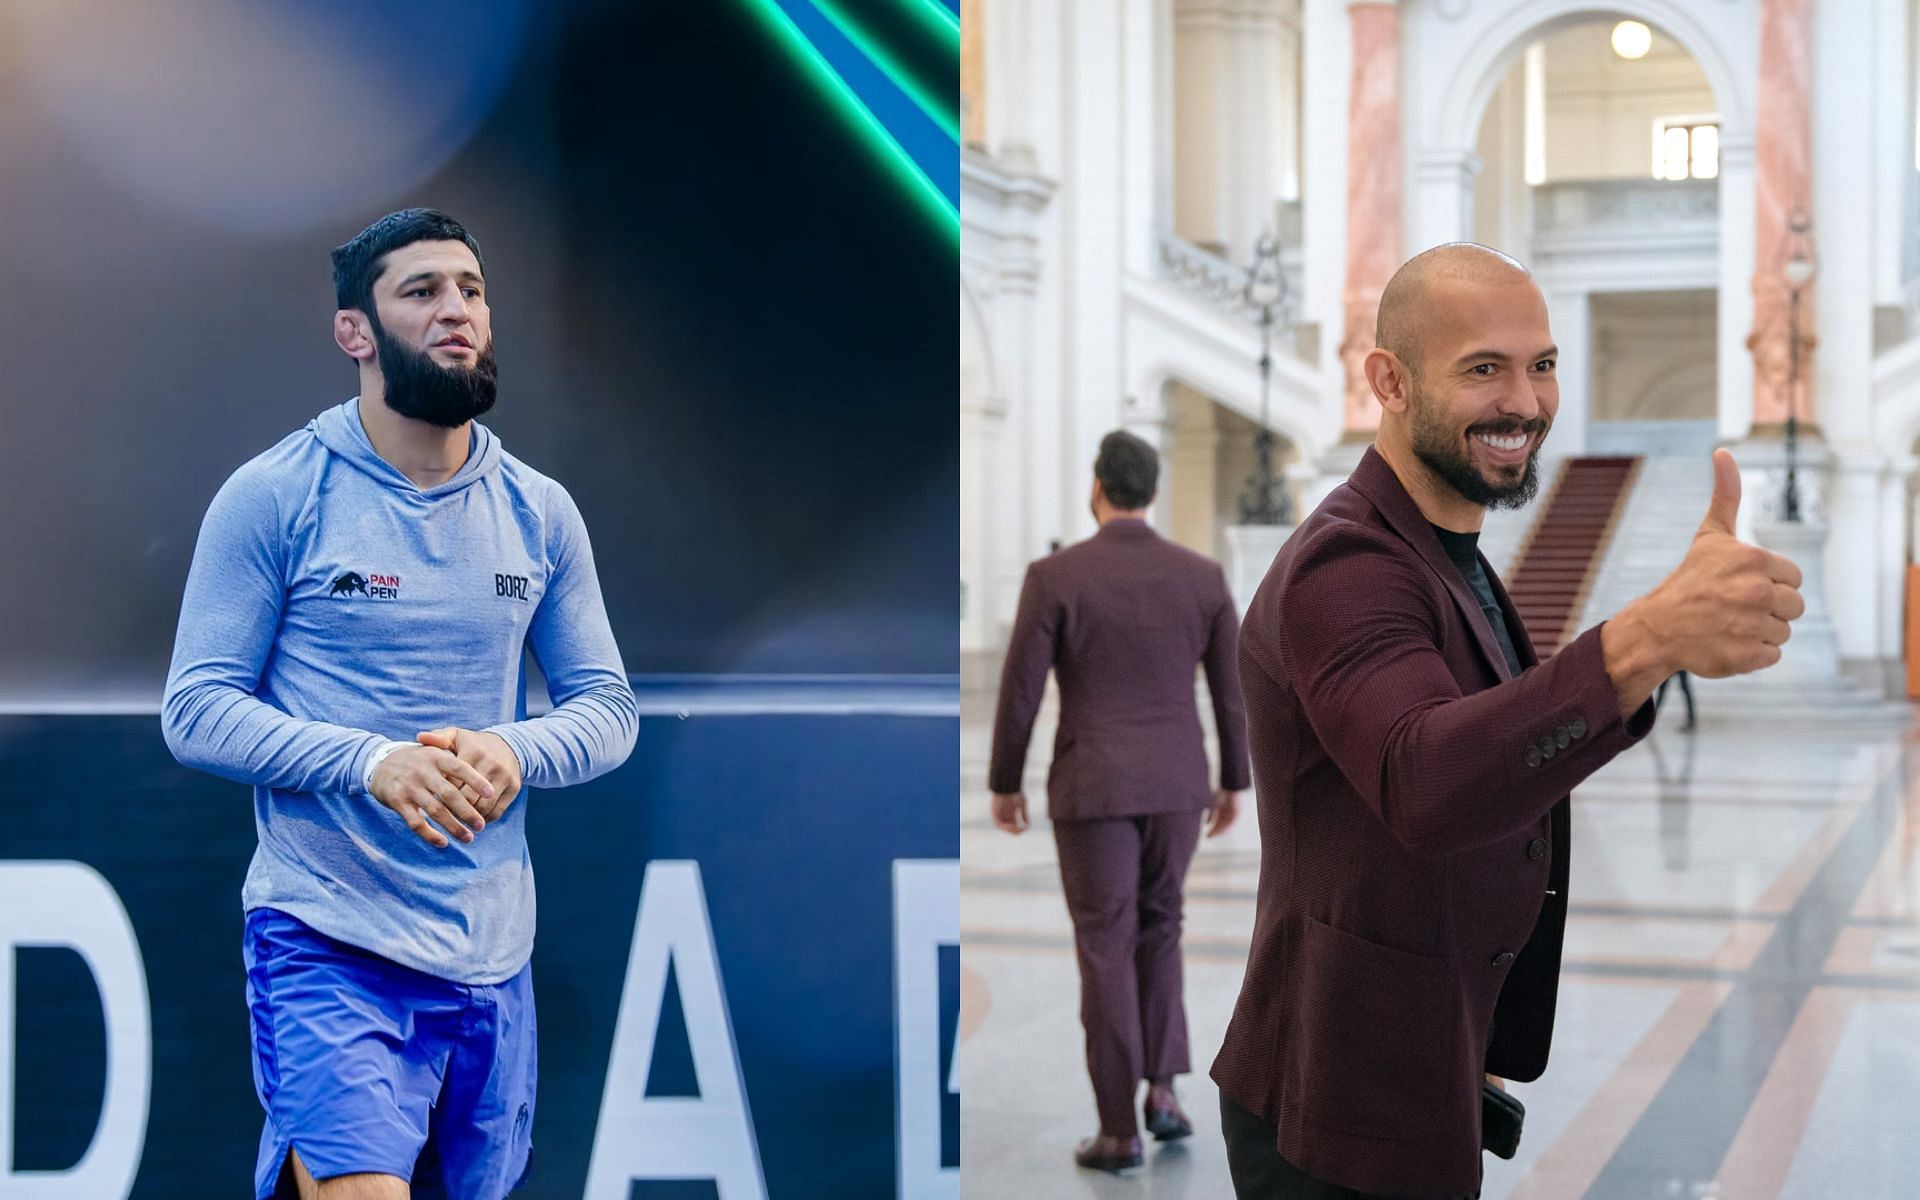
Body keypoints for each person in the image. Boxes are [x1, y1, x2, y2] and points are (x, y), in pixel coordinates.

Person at [1211, 243, 1802, 1197]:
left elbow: (1497, 759)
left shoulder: (1452, 554)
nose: (1525, 402)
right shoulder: (1346, 565)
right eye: (1484, 368)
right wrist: (1644, 638)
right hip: (1333, 1094)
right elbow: (1427, 779)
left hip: (1425, 1052)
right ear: (1389, 381)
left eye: (1544, 365)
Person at [163, 208, 639, 1200]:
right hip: (328, 940)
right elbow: (197, 709)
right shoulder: (276, 495)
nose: (455, 310)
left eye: (469, 289)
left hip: (493, 957)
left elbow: (606, 708)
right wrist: (371, 760)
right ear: (355, 332)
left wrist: (517, 750)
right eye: (421, 292)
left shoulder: (540, 511)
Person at [989, 430, 1251, 1172]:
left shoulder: (1055, 576)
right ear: (1153, 491)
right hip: (1176, 783)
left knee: (1105, 943)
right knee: (1162, 926)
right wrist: (1235, 778)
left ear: (1097, 487)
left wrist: (1004, 781)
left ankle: (1117, 1130)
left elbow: (1020, 690)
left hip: (1093, 784)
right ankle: (1163, 1091)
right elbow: (1232, 694)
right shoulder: (1201, 577)